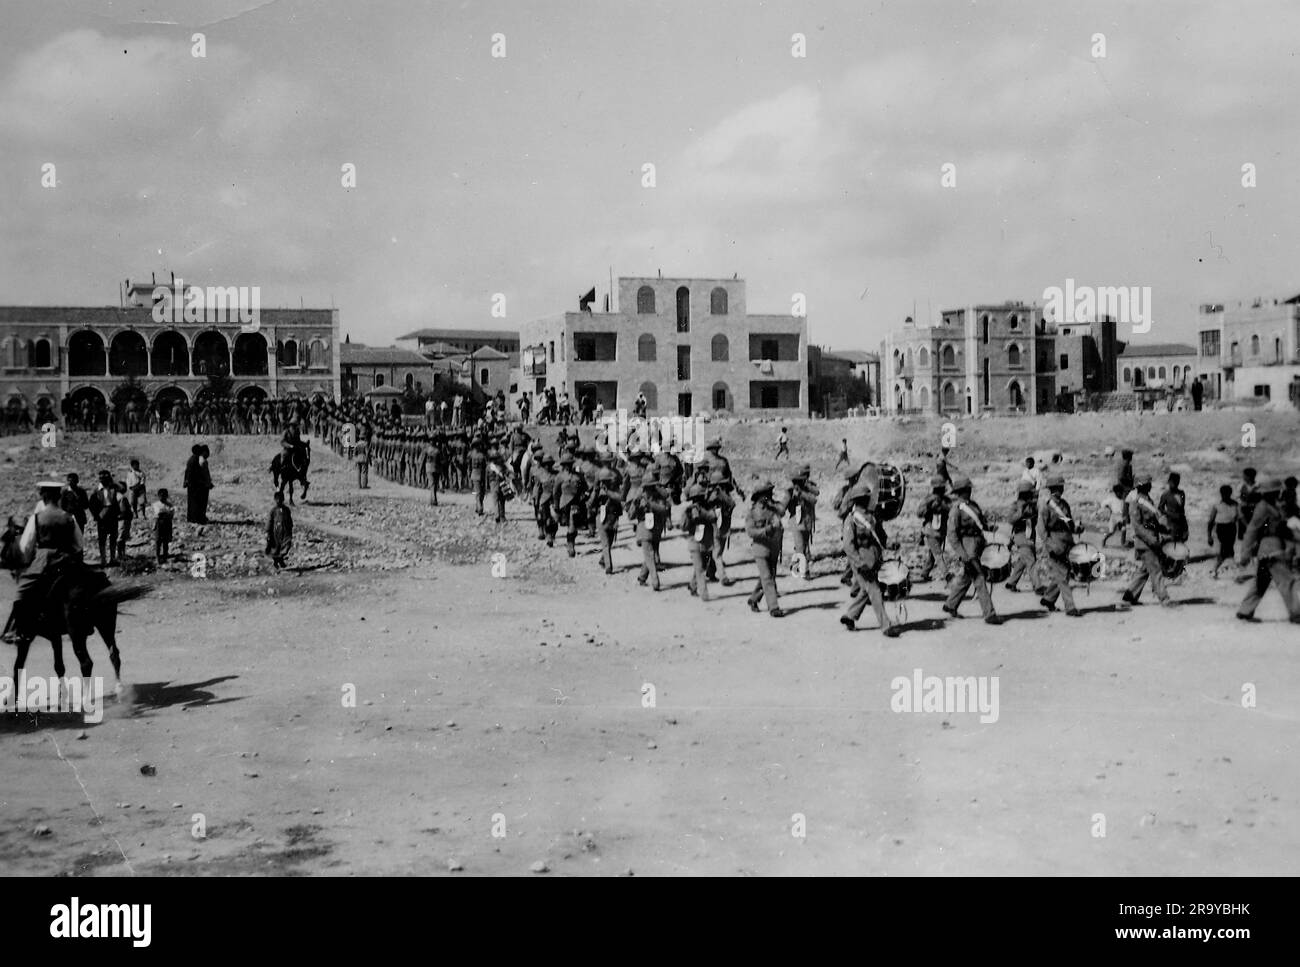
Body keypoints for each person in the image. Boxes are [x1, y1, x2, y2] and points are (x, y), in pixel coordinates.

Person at [10, 480, 86, 648]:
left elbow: (26, 547)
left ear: (42, 496)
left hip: (43, 562)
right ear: (59, 496)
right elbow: (79, 544)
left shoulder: (36, 518)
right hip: (67, 562)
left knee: (21, 592)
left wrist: (31, 558)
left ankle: (18, 631)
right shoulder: (69, 517)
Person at [1235, 477, 1299, 623]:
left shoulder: (1272, 506)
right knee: (1286, 581)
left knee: (1261, 582)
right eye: (1277, 491)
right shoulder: (1263, 507)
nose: (1280, 493)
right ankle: (1296, 614)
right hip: (1272, 549)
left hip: (1268, 549)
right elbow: (1252, 530)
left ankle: (1245, 611)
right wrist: (1245, 554)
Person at [839, 485, 900, 636]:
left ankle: (850, 616)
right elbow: (848, 545)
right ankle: (886, 626)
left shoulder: (872, 517)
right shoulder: (851, 519)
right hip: (862, 563)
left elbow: (880, 536)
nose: (868, 500)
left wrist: (890, 545)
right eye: (865, 498)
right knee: (875, 590)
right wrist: (859, 563)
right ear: (859, 500)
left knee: (867, 590)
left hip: (875, 560)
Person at [943, 475, 1002, 624]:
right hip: (967, 547)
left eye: (969, 489)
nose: (968, 492)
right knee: (979, 578)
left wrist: (990, 528)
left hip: (979, 544)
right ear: (960, 492)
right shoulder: (956, 510)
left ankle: (950, 605)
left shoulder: (974, 506)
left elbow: (981, 523)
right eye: (966, 490)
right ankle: (989, 613)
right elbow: (952, 535)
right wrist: (962, 554)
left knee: (967, 577)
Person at [1121, 474, 1173, 607]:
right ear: (1142, 486)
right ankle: (1164, 598)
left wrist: (1164, 530)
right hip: (1146, 543)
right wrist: (1152, 540)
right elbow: (1137, 527)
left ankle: (1129, 597)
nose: (1151, 485)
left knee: (1144, 571)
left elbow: (1153, 522)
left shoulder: (1147, 500)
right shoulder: (1136, 502)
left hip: (1151, 541)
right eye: (1148, 483)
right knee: (1156, 570)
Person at [1038, 472, 1083, 616]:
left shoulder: (1065, 505)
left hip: (1067, 543)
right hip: (1055, 543)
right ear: (1053, 488)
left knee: (1064, 574)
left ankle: (1048, 599)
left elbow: (1069, 524)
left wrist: (1077, 529)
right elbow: (1041, 529)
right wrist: (1050, 545)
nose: (1061, 490)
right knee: (1063, 577)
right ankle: (1070, 607)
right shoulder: (1046, 506)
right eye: (1059, 487)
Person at [745, 480, 786, 617]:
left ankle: (753, 599)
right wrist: (765, 531)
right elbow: (750, 531)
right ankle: (773, 607)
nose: (769, 495)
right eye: (766, 494)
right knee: (767, 577)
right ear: (759, 496)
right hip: (760, 549)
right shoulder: (753, 512)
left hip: (774, 548)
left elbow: (782, 511)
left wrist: (773, 505)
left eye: (769, 493)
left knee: (768, 576)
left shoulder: (773, 507)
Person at [632, 474, 670, 590]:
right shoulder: (639, 497)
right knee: (650, 554)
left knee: (650, 554)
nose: (649, 490)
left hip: (656, 529)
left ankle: (642, 577)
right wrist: (636, 505)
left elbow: (664, 509)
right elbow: (630, 515)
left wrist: (650, 505)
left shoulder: (659, 497)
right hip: (644, 529)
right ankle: (655, 580)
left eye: (651, 487)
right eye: (647, 487)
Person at [681, 484, 717, 601]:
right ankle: (704, 593)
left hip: (706, 543)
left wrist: (702, 512)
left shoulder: (707, 508)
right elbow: (683, 527)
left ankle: (692, 585)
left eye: (700, 498)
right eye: (696, 499)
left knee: (702, 567)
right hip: (695, 543)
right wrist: (688, 516)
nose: (698, 501)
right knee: (699, 569)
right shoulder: (689, 510)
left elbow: (713, 517)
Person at [1005, 481, 1038, 593]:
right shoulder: (1015, 506)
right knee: (1031, 560)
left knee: (1024, 560)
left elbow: (1036, 520)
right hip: (1020, 535)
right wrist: (1021, 511)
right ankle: (1037, 586)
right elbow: (1011, 520)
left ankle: (1011, 582)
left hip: (1030, 535)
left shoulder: (1032, 505)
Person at [786, 465, 818, 579]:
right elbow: (784, 505)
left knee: (803, 546)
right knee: (799, 547)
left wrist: (801, 493)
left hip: (807, 520)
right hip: (796, 521)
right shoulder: (790, 491)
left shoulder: (808, 488)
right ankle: (804, 571)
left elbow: (814, 498)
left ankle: (795, 564)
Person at [916, 475, 950, 583]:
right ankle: (947, 576)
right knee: (938, 555)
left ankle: (924, 573)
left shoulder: (945, 500)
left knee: (932, 554)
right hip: (932, 532)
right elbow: (919, 513)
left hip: (938, 532)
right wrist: (930, 508)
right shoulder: (929, 500)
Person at [88, 470, 119, 566]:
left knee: (113, 538)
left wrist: (112, 482)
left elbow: (122, 489)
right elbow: (91, 504)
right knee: (102, 539)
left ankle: (113, 558)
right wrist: (96, 516)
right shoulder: (96, 490)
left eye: (105, 478)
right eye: (101, 478)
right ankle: (103, 559)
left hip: (112, 515)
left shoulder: (113, 488)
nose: (103, 480)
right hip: (102, 517)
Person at [1206, 484, 1238, 579]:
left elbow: (1240, 517)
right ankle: (1215, 570)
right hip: (1221, 529)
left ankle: (1217, 569)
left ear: (1230, 493)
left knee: (1229, 550)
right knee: (1226, 550)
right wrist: (1209, 536)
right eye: (1223, 494)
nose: (1225, 496)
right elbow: (1211, 522)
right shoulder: (1217, 505)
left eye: (1227, 494)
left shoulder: (1235, 504)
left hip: (1232, 529)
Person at [265, 491, 293, 569]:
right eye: (277, 499)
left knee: (286, 545)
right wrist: (268, 532)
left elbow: (289, 520)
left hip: (285, 531)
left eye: (280, 499)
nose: (279, 501)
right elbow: (269, 521)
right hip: (276, 532)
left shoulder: (286, 510)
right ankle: (276, 561)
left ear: (283, 499)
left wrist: (290, 528)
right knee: (275, 547)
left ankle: (280, 559)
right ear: (275, 500)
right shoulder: (273, 510)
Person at [1159, 472, 1188, 543]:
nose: (1174, 484)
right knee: (1170, 543)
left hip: (1180, 522)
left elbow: (1182, 509)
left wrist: (1185, 525)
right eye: (1172, 482)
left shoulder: (1181, 493)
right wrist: (1168, 513)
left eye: (1176, 482)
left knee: (1180, 542)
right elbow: (1160, 508)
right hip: (1170, 522)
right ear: (1169, 482)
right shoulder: (1165, 494)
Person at [152, 488, 175, 562]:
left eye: (164, 496)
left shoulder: (169, 505)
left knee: (166, 540)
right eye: (160, 496)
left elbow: (171, 514)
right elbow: (158, 513)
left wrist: (164, 513)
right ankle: (157, 556)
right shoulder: (156, 504)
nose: (162, 497)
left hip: (167, 523)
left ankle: (165, 556)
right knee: (158, 540)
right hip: (159, 523)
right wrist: (166, 513)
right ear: (158, 496)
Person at [1238, 468, 1260, 541]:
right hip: (1245, 511)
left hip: (1254, 510)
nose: (1243, 477)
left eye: (1244, 476)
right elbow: (1241, 498)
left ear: (1249, 476)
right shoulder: (1242, 487)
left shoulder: (1258, 486)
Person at [114, 480, 133, 563]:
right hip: (123, 519)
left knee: (121, 537)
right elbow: (123, 510)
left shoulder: (115, 496)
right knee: (121, 537)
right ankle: (120, 555)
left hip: (119, 519)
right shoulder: (122, 497)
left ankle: (121, 554)